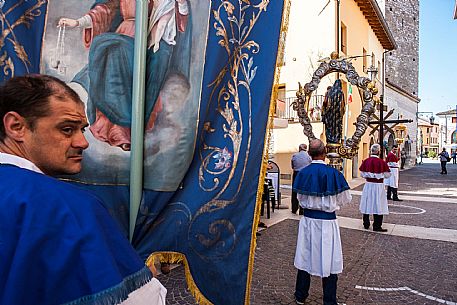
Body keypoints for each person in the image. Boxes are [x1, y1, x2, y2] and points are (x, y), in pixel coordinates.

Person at [0, 75, 166, 304]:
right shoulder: (69, 207)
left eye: (83, 130)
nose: (83, 143)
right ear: (16, 127)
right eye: (67, 129)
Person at [59, 0, 192, 151]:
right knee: (108, 67)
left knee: (126, 78)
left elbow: (178, 21)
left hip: (144, 41)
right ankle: (111, 126)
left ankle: (125, 131)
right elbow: (105, 11)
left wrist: (180, 5)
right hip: (124, 34)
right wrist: (77, 22)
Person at [292, 139, 352, 305]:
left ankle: (300, 295)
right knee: (330, 257)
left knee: (305, 255)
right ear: (325, 153)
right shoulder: (334, 174)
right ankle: (329, 300)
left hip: (308, 221)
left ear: (309, 154)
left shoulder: (303, 173)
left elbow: (300, 197)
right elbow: (345, 198)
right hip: (327, 223)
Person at [359, 144, 391, 232]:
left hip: (368, 184)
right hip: (378, 186)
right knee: (378, 203)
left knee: (367, 202)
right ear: (378, 151)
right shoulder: (381, 162)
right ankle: (377, 225)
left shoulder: (366, 161)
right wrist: (379, 175)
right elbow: (388, 175)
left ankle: (366, 223)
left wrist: (370, 175)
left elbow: (362, 173)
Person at [291, 143, 312, 215]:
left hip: (296, 174)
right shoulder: (309, 157)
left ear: (300, 148)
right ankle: (302, 209)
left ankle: (294, 209)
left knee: (295, 191)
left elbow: (292, 166)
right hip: (305, 174)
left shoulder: (295, 155)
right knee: (304, 191)